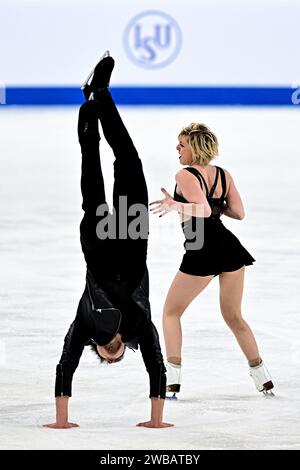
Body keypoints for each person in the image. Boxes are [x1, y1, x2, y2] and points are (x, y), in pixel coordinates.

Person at [44, 52, 173, 429]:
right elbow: (157, 367)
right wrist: (156, 420)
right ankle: (100, 93)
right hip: (133, 240)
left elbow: (65, 365)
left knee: (92, 172)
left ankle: (88, 109)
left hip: (99, 247)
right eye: (118, 356)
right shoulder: (138, 328)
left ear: (97, 349)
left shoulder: (86, 326)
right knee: (129, 162)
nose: (112, 353)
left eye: (106, 355)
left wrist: (62, 421)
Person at [150, 123, 274, 399]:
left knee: (171, 312)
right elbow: (238, 213)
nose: (177, 149)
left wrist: (175, 205)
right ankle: (262, 378)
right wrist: (214, 205)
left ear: (194, 150)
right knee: (234, 316)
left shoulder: (184, 174)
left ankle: (171, 382)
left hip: (202, 248)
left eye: (182, 145)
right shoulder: (223, 175)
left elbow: (203, 210)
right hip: (229, 248)